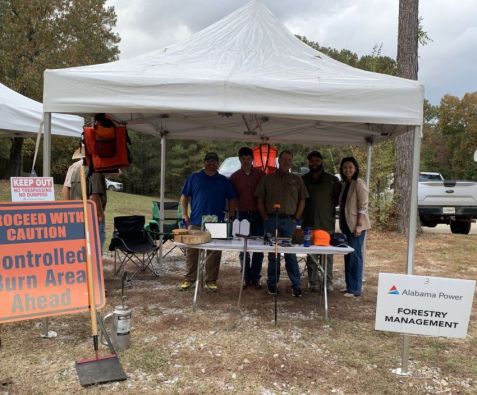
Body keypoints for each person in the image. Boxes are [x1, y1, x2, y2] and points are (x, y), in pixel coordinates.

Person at [179, 152, 236, 292]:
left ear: (218, 163)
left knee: (214, 253)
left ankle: (211, 281)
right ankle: (189, 279)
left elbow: (233, 198)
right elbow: (184, 196)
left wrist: (232, 213)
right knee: (192, 252)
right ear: (204, 162)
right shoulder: (194, 177)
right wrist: (185, 214)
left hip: (217, 223)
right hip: (196, 221)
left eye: (214, 161)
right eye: (208, 161)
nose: (211, 163)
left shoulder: (224, 180)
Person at [255, 150, 308, 297]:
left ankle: (296, 285)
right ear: (279, 161)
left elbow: (303, 199)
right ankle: (272, 285)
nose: (286, 162)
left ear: (291, 162)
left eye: (289, 160)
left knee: (291, 255)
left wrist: (296, 218)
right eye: (284, 159)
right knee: (274, 255)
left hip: (289, 221)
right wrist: (265, 217)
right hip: (271, 220)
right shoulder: (267, 178)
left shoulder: (297, 179)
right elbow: (259, 199)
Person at [302, 151, 341, 292]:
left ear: (321, 161)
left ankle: (327, 281)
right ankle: (313, 282)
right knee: (311, 256)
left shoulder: (332, 180)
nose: (314, 163)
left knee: (327, 256)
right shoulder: (303, 179)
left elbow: (338, 199)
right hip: (309, 223)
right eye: (312, 161)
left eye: (317, 160)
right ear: (308, 163)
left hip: (326, 223)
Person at [230, 147, 265, 289]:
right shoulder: (234, 177)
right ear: (239, 160)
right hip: (242, 214)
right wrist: (232, 214)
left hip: (258, 214)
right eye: (243, 159)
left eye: (248, 159)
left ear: (252, 159)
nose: (246, 161)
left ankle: (255, 277)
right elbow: (231, 198)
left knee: (258, 248)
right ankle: (246, 276)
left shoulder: (261, 175)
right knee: (243, 248)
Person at [338, 157, 371, 297]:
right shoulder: (345, 184)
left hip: (357, 226)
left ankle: (355, 288)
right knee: (348, 255)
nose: (347, 170)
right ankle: (349, 285)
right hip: (346, 225)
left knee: (355, 256)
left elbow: (363, 206)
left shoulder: (359, 183)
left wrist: (359, 225)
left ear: (356, 168)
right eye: (345, 167)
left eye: (350, 167)